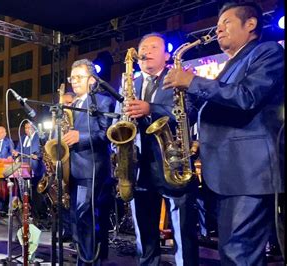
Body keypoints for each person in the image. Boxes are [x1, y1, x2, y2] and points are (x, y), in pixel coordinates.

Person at [163, 2, 284, 264]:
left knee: (238, 253)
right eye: (217, 25)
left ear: (250, 24)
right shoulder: (231, 64)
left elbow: (247, 97)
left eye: (226, 23)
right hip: (229, 172)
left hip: (249, 172)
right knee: (233, 251)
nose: (218, 30)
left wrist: (193, 82)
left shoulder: (268, 51)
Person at [122, 32, 199, 265]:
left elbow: (191, 111)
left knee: (183, 232)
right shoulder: (130, 83)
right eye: (143, 47)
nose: (146, 51)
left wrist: (151, 108)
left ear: (166, 55)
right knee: (144, 233)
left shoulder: (177, 78)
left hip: (173, 162)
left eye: (154, 47)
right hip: (138, 166)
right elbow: (118, 120)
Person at [63, 59, 115, 265]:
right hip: (73, 169)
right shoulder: (72, 104)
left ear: (92, 80)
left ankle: (89, 260)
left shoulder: (102, 101)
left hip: (92, 169)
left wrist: (80, 137)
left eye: (78, 77)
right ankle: (87, 255)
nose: (73, 82)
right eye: (72, 78)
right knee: (78, 218)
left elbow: (107, 134)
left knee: (86, 217)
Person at [12, 121, 48, 227]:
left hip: (36, 169)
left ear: (34, 128)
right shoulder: (22, 138)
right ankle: (30, 215)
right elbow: (18, 150)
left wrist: (38, 156)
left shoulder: (39, 136)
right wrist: (16, 153)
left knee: (37, 194)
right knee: (24, 193)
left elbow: (44, 149)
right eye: (25, 128)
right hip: (24, 169)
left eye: (29, 128)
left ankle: (42, 217)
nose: (27, 130)